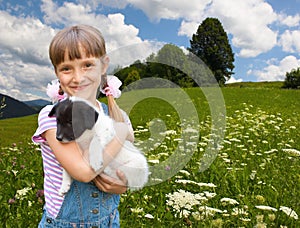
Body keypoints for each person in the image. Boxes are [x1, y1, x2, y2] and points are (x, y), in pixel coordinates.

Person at [32, 24, 134, 227]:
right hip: (65, 223)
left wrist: (124, 184)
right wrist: (121, 132)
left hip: (110, 220)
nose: (78, 78)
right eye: (66, 68)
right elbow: (83, 171)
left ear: (104, 65)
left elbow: (128, 163)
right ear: (57, 73)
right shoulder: (52, 115)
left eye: (87, 65)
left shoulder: (115, 113)